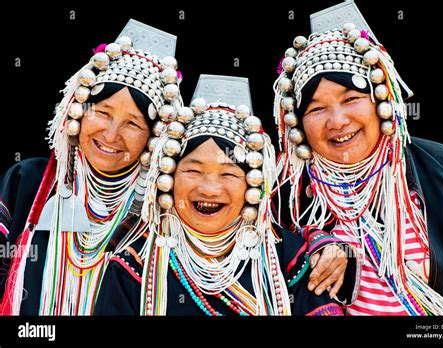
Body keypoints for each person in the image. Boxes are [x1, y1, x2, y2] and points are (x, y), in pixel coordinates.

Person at [272, 2, 443, 315]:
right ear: (298, 124)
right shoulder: (288, 196)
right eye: (316, 109)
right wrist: (314, 238)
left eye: (351, 99)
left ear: (382, 99)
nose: (337, 121)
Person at [94, 75, 345, 315]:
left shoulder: (289, 260)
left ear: (253, 185)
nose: (210, 189)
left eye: (228, 174)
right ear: (168, 177)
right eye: (193, 170)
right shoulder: (135, 265)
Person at [0, 19, 183, 315]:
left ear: (154, 138)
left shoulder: (159, 213)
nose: (111, 135)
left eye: (133, 123)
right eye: (102, 112)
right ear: (77, 111)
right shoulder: (29, 182)